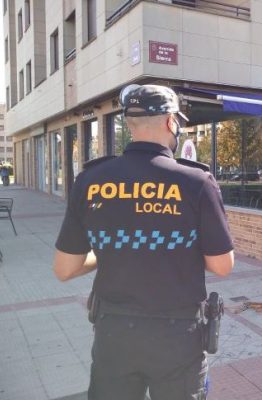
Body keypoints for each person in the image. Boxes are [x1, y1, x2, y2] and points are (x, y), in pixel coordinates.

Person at [52, 84, 234, 400]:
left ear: (130, 124)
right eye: (178, 121)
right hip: (177, 337)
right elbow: (221, 265)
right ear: (169, 122)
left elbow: (65, 269)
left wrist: (113, 250)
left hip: (114, 334)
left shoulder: (91, 180)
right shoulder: (196, 182)